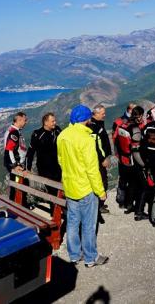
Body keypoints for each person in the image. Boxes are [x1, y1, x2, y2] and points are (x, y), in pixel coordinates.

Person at [57, 105, 108, 267]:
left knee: (72, 222)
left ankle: (74, 255)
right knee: (88, 224)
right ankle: (91, 257)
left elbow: (60, 161)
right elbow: (92, 169)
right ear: (86, 119)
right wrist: (101, 191)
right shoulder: (86, 139)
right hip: (86, 187)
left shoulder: (62, 136)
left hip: (70, 186)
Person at [89, 105, 112, 215]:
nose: (104, 115)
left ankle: (100, 204)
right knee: (102, 182)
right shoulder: (93, 126)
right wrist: (104, 158)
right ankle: (98, 205)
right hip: (98, 160)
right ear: (95, 113)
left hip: (100, 158)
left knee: (103, 180)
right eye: (102, 113)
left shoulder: (98, 123)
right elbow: (96, 146)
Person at [3, 111, 28, 202]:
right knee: (18, 186)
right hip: (16, 164)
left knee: (17, 185)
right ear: (19, 120)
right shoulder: (14, 133)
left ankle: (18, 204)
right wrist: (14, 165)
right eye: (25, 120)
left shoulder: (13, 130)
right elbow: (9, 150)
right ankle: (18, 206)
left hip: (16, 163)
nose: (26, 122)